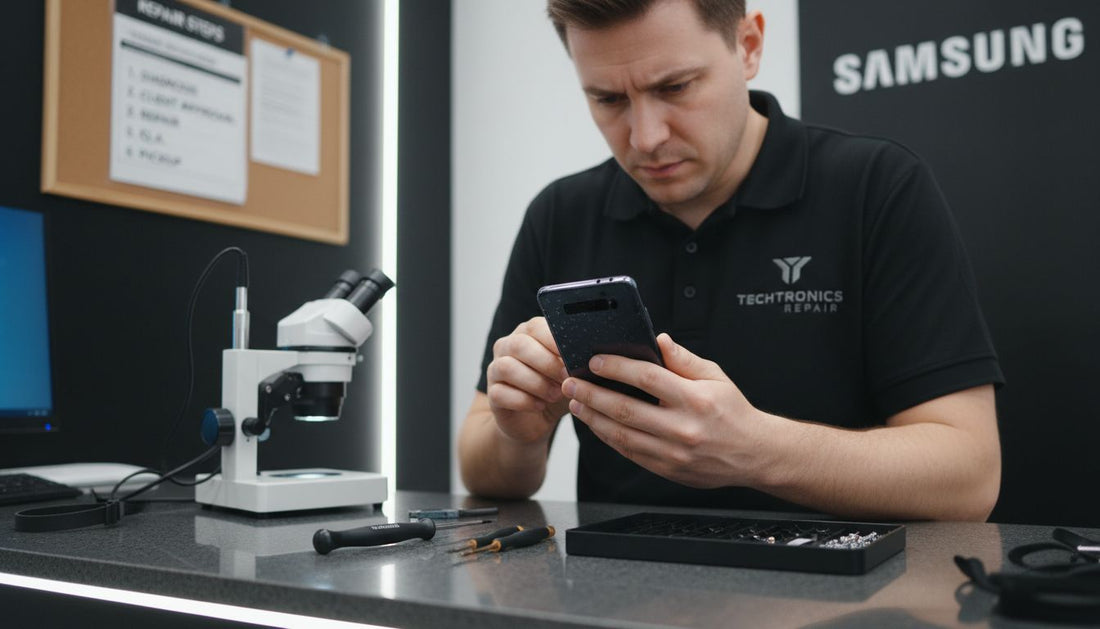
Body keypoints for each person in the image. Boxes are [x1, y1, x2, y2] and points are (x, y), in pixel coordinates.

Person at [458, 0, 1004, 520]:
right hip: (612, 599)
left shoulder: (876, 187)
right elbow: (485, 468)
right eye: (608, 100)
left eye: (675, 87)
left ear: (748, 46)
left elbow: (969, 476)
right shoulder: (561, 215)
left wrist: (756, 450)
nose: (646, 138)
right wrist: (518, 436)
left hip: (847, 597)